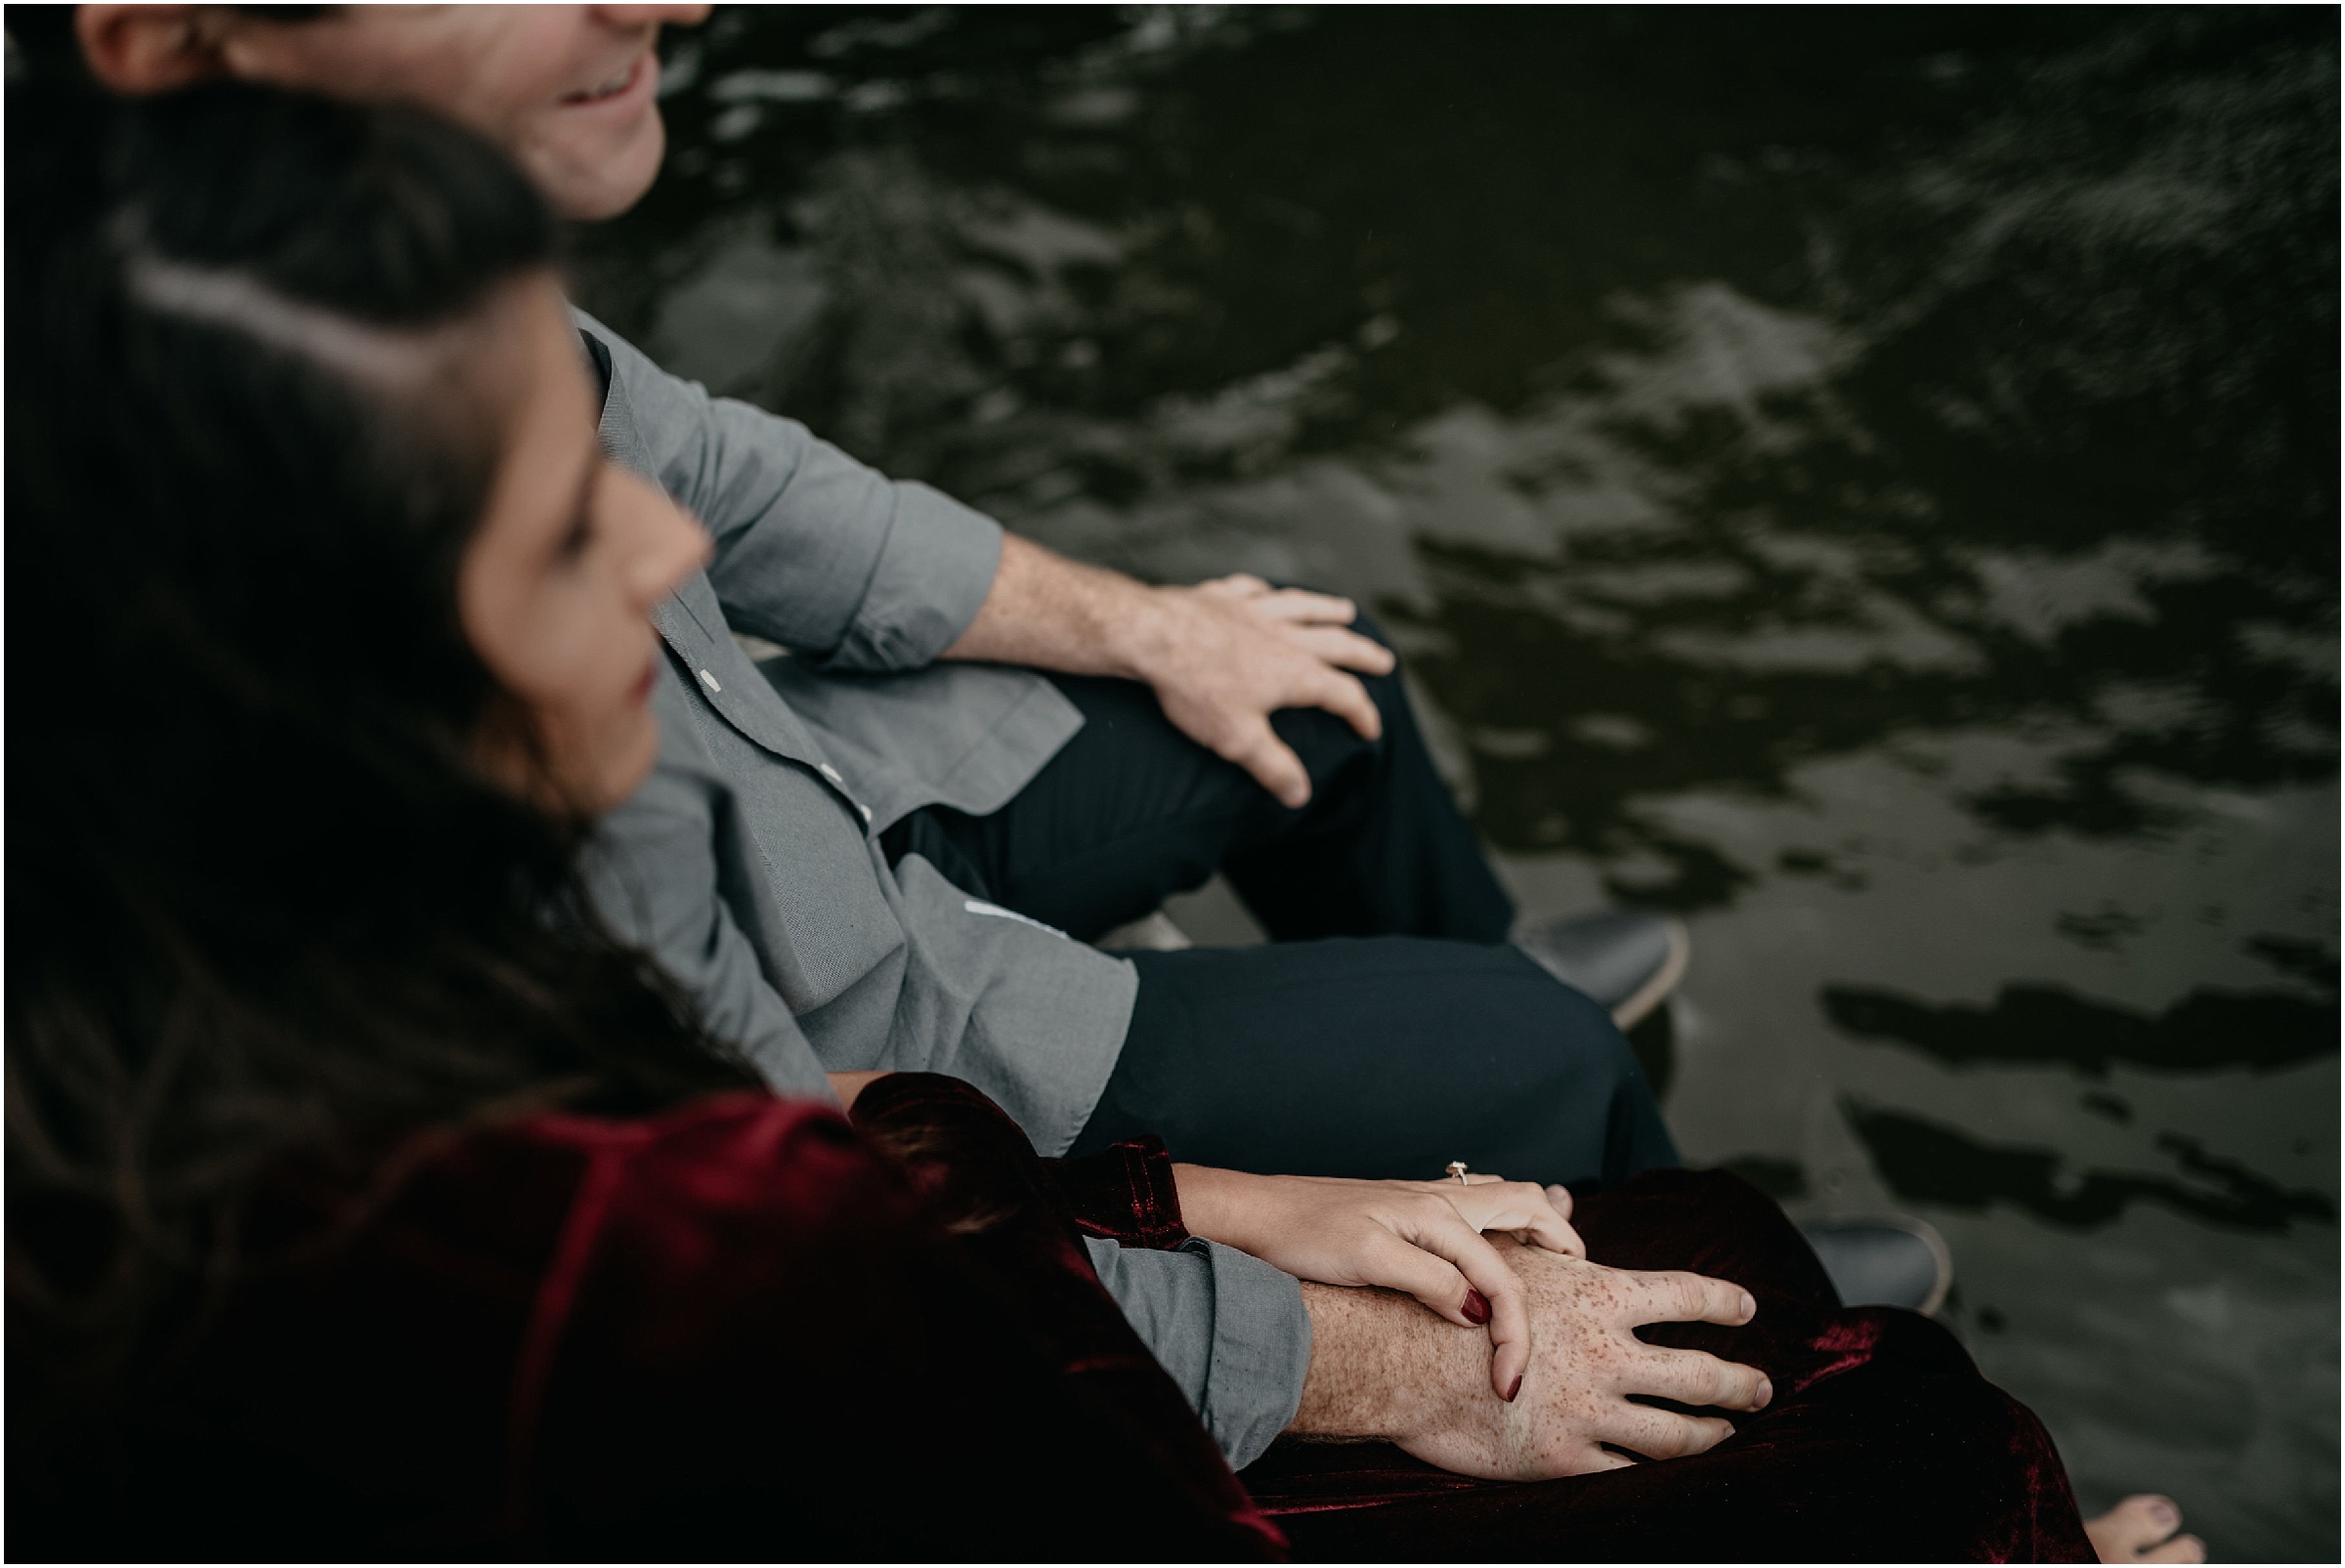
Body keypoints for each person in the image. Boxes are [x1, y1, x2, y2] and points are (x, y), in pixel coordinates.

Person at [12, 76, 2166, 1564]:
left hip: (861, 884)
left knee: (1328, 693)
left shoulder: (274, 932)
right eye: (568, 538)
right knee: (1815, 1366)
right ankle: (1578, 1126)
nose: (666, 560)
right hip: (943, 1134)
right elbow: (892, 1295)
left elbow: (831, 1143)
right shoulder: (582, 1245)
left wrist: (1232, 1184)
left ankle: (1548, 1115)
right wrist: (1335, 1329)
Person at [63, 1, 1692, 1211]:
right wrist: (1261, 1239)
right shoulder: (236, 538)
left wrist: (1151, 627)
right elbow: (754, 1162)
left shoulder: (353, 257)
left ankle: (1451, 1026)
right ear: (164, 38)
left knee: (1319, 677)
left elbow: (726, 476)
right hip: (852, 1025)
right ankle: (1673, 1249)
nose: (672, 8)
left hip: (817, 808)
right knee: (1537, 1055)